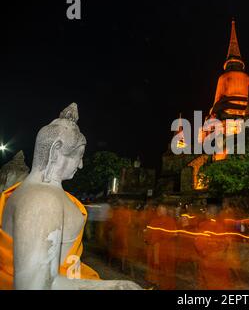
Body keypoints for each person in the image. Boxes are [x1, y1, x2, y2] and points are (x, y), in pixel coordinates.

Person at [0, 103, 140, 289]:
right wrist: (118, 287)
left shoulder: (32, 192)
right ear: (56, 150)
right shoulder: (41, 200)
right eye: (79, 156)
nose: (81, 165)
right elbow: (36, 286)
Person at [195, 204, 231, 289]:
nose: (205, 214)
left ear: (208, 213)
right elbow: (227, 241)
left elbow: (199, 245)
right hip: (221, 260)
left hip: (209, 261)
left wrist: (203, 253)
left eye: (206, 212)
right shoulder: (223, 225)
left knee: (210, 284)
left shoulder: (204, 225)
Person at [145, 204, 177, 289]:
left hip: (164, 249)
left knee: (164, 269)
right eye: (158, 210)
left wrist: (155, 240)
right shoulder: (154, 220)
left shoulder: (170, 221)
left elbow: (171, 235)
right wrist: (148, 240)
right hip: (155, 248)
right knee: (155, 267)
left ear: (165, 211)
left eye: (160, 210)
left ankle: (164, 285)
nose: (158, 211)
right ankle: (156, 283)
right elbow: (149, 233)